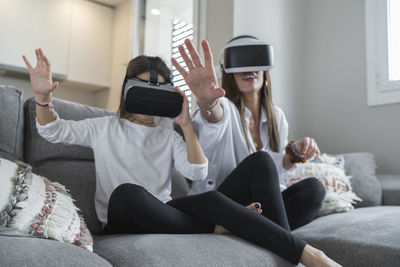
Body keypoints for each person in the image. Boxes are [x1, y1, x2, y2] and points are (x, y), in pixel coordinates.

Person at [23, 48, 339, 267]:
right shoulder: (104, 127)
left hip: (169, 214)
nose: (151, 94)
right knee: (128, 193)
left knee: (254, 168)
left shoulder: (168, 135)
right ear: (128, 89)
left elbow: (198, 173)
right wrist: (42, 97)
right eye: (145, 86)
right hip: (126, 216)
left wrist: (186, 126)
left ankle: (290, 251)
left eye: (160, 88)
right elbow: (54, 132)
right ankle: (226, 228)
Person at [172, 38, 341, 266]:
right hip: (223, 200)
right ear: (230, 73)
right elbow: (213, 117)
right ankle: (292, 253)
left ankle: (249, 229)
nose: (249, 69)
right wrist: (207, 102)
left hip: (256, 204)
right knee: (260, 161)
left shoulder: (276, 116)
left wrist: (293, 153)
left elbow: (274, 176)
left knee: (314, 189)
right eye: (241, 63)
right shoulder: (226, 108)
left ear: (265, 68)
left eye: (255, 61)